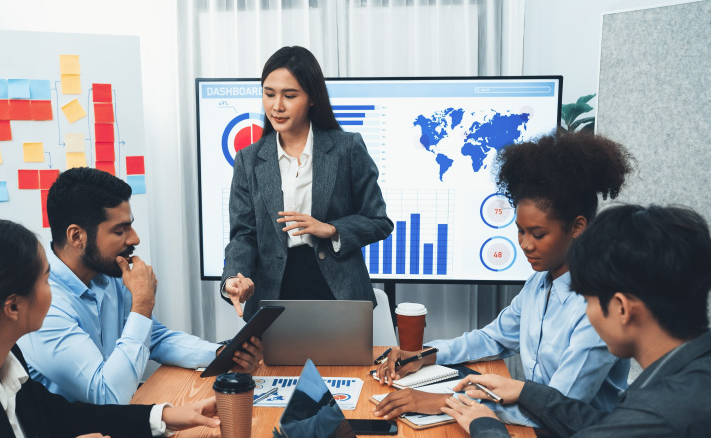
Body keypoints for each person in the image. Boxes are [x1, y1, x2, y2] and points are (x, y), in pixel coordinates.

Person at [374, 133, 633, 427]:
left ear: (577, 227)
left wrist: (443, 403)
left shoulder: (598, 311)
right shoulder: (539, 283)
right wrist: (424, 355)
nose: (525, 244)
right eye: (520, 231)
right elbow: (493, 338)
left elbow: (559, 406)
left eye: (538, 234)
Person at [0, 218, 220, 437]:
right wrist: (142, 304)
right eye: (46, 279)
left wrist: (170, 415)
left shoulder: (4, 356)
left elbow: (62, 416)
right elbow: (105, 397)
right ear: (13, 307)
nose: (53, 289)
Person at [443, 205, 711, 438]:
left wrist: (486, 427)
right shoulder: (690, 374)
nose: (587, 313)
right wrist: (526, 392)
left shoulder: (655, 416)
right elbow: (603, 424)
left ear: (622, 308)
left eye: (586, 298)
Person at [18, 167, 263, 405]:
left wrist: (221, 355)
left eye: (130, 225)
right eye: (120, 230)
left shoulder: (109, 273)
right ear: (76, 237)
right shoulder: (44, 303)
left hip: (117, 421)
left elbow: (153, 337)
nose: (134, 239)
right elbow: (107, 395)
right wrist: (142, 303)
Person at [221, 45, 393, 321]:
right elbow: (243, 235)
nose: (277, 106)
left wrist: (331, 229)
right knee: (274, 367)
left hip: (338, 291)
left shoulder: (347, 148)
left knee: (342, 366)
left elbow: (379, 221)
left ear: (312, 97)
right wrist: (233, 276)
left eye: (289, 95)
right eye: (269, 94)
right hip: (273, 292)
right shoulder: (248, 160)